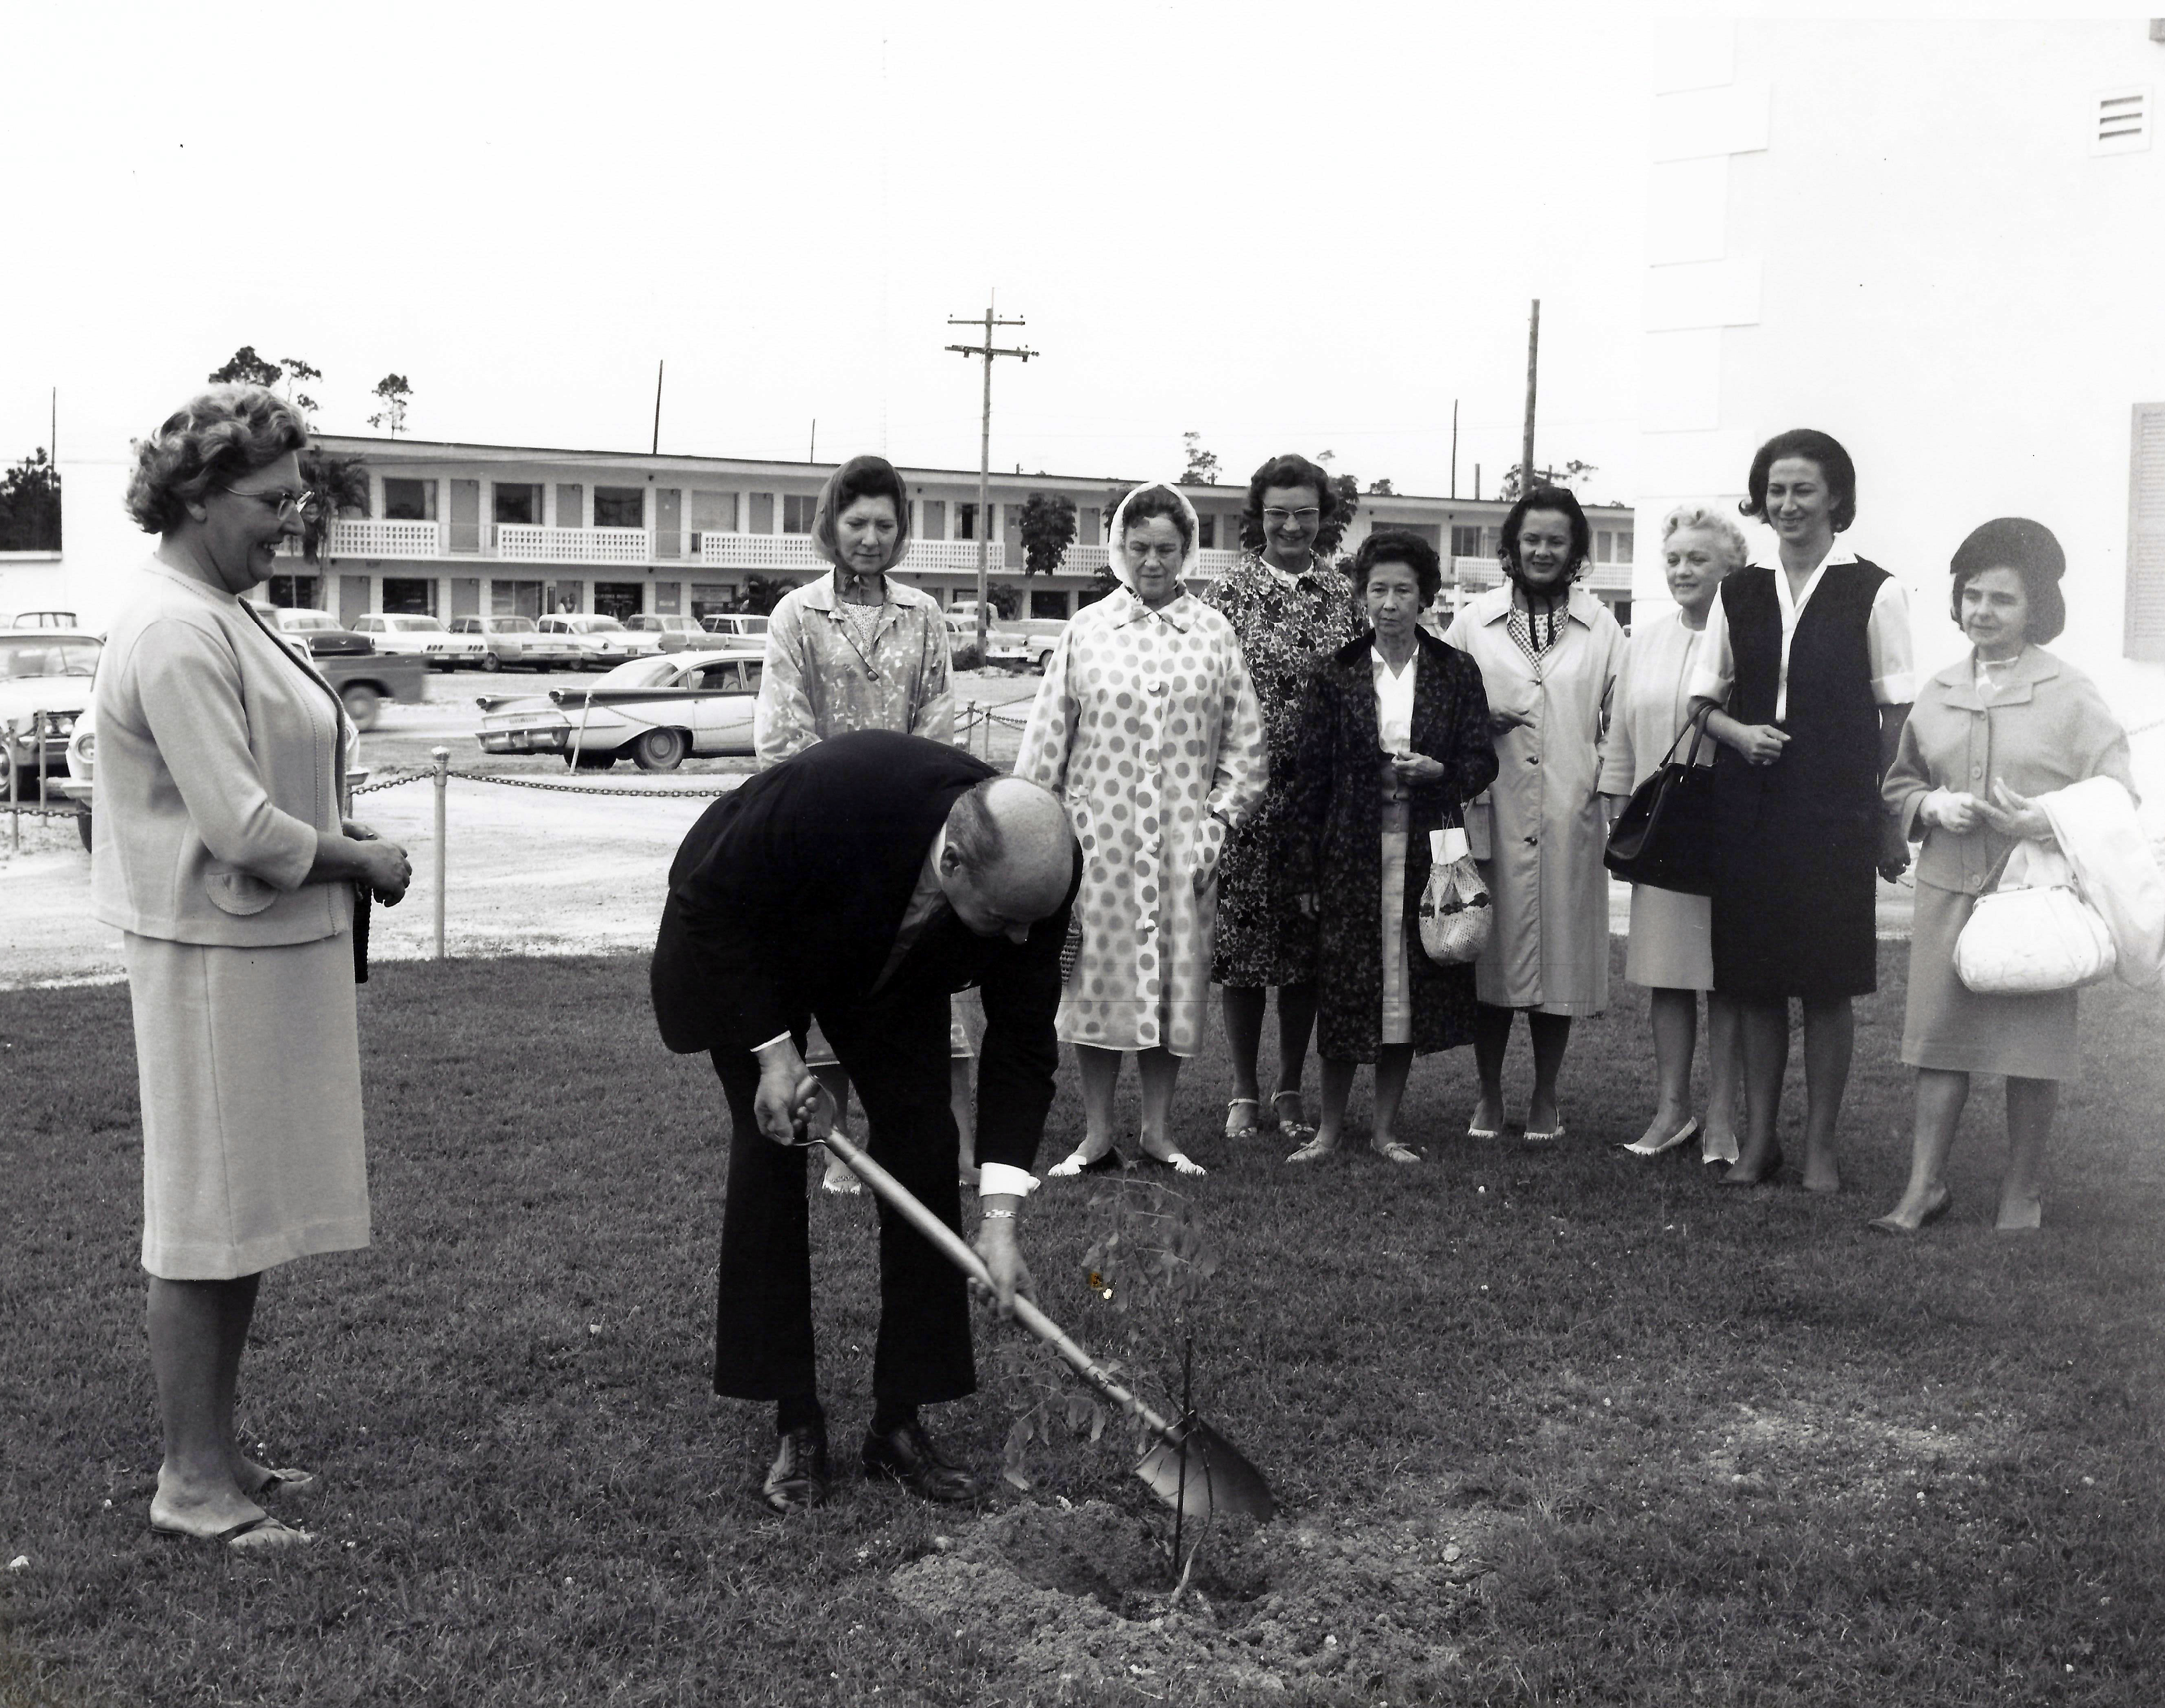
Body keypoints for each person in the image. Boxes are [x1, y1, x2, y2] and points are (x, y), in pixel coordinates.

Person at [94, 385, 413, 1551]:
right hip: (213, 954)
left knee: (245, 1216)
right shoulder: (176, 627)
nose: (290, 521)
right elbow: (238, 824)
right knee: (204, 1215)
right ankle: (189, 1481)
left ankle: (220, 1449)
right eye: (272, 500)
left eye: (295, 498)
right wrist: (362, 858)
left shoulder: (223, 608)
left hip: (262, 951)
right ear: (196, 496)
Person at [651, 731, 1079, 1511]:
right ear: (953, 864)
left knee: (924, 1138)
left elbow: (1022, 1045)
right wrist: (776, 1052)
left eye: (1029, 923)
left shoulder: (1034, 873)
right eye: (1004, 920)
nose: (1019, 939)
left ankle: (901, 1422)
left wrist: (1001, 1217)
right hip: (753, 937)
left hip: (893, 962)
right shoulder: (838, 798)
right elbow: (708, 904)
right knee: (772, 1142)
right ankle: (795, 1419)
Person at [1871, 519, 2134, 1233]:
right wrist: (1931, 802)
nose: (1983, 612)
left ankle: (2022, 1192)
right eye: (1972, 597)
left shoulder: (2071, 691)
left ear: (2036, 609)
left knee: (2031, 1046)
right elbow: (1899, 784)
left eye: (2003, 600)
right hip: (1949, 887)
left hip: (2035, 894)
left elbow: (2117, 789)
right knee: (1938, 1041)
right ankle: (1924, 1187)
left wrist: (2045, 819)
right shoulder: (1938, 690)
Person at [1014, 482, 1267, 1177]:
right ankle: (1097, 1134)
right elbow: (1045, 746)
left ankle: (1158, 1131)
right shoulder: (1087, 630)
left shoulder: (1214, 633)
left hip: (1185, 851)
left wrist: (1216, 825)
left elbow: (1246, 750)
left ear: (1187, 549)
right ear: (1119, 549)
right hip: (1099, 851)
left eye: (1166, 548)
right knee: (1098, 987)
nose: (1152, 562)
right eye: (1139, 548)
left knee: (1169, 989)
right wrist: (1043, 841)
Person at [1690, 429, 1914, 1192]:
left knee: (1826, 981)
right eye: (1776, 490)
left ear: (1836, 499)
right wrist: (1737, 732)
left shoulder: (1876, 590)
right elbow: (1701, 704)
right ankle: (1760, 1144)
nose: (1787, 505)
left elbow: (1896, 718)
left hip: (1833, 807)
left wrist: (1887, 819)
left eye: (1804, 490)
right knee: (1752, 980)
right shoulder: (1737, 591)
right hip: (1748, 806)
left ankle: (1819, 1146)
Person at [754, 455, 971, 1196]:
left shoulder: (925, 616)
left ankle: (918, 1141)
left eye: (885, 524)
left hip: (910, 842)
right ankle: (839, 1154)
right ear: (831, 527)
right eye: (857, 523)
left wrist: (911, 812)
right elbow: (782, 734)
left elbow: (940, 724)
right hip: (821, 840)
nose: (871, 538)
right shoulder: (797, 615)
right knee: (830, 990)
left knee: (910, 990)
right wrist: (843, 812)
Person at [1282, 531, 1498, 1163]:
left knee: (1405, 989)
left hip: (1427, 850)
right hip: (1349, 849)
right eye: (1378, 589)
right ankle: (1327, 1130)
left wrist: (1441, 773)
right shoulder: (1337, 673)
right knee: (1346, 988)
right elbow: (1308, 775)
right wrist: (1305, 873)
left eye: (1404, 590)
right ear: (1360, 596)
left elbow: (1481, 759)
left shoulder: (1455, 671)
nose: (1390, 603)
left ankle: (1384, 1129)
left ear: (1426, 597)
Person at [1443, 487, 1625, 1145]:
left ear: (1576, 551)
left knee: (1561, 967)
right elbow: (1435, 710)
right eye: (1532, 540)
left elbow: (1621, 722)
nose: (1543, 552)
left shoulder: (1601, 626)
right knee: (1487, 957)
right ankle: (1489, 1095)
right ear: (1512, 548)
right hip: (1491, 814)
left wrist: (1600, 783)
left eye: (1557, 541)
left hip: (1568, 817)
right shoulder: (1472, 622)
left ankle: (1546, 1095)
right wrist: (1475, 720)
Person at [1199, 454, 1362, 1147]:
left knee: (1305, 951)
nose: (1292, 525)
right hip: (1242, 796)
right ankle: (1242, 1089)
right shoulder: (1222, 597)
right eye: (1278, 513)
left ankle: (1291, 1085)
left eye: (1305, 513)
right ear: (1257, 518)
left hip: (1319, 800)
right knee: (1241, 954)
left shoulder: (1345, 596)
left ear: (1323, 519)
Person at [1599, 505, 1746, 1164]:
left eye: (1700, 561)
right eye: (1676, 560)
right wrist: (1618, 810)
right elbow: (1623, 734)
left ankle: (1722, 1119)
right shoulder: (1646, 639)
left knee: (1730, 976)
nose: (1684, 571)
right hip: (1662, 825)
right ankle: (1672, 1110)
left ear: (1731, 569)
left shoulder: (1750, 634)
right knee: (1667, 973)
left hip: (1729, 825)